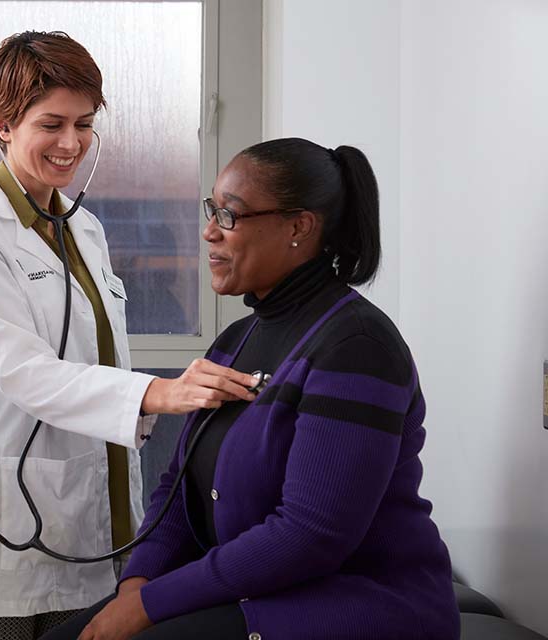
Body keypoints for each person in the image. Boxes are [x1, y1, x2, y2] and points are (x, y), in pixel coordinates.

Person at [43, 138, 460, 640]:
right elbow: (176, 490)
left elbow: (310, 535)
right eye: (212, 210)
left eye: (230, 216)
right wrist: (138, 583)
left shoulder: (356, 346)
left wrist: (152, 606)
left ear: (299, 227)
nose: (208, 231)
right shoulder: (235, 343)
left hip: (359, 604)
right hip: (267, 591)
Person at [0, 31, 256, 640]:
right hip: (0, 539)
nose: (70, 142)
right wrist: (161, 394)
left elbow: (98, 353)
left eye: (84, 123)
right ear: (2, 123)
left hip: (92, 529)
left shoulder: (86, 230)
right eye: (51, 123)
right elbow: (23, 371)